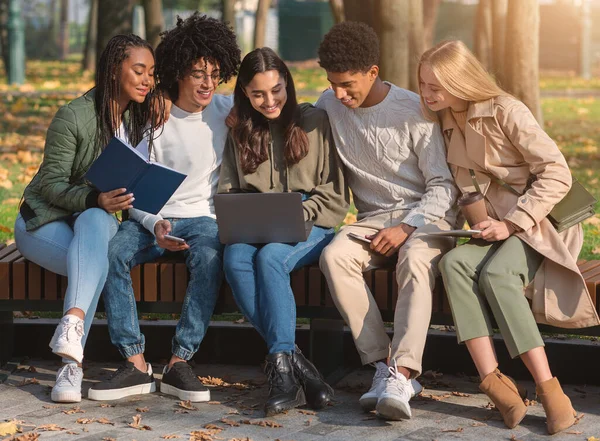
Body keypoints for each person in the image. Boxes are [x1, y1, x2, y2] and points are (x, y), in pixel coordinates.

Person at [418, 40, 600, 435]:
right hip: (497, 228)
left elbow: (557, 173)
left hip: (542, 225)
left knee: (497, 274)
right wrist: (480, 223)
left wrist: (512, 223)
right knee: (454, 262)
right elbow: (467, 189)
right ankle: (496, 385)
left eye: (436, 86)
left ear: (460, 80)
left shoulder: (505, 110)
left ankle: (550, 390)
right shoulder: (446, 120)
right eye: (422, 85)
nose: (427, 94)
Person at [88, 13, 241, 402]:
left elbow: (277, 102)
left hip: (203, 220)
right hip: (149, 220)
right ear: (177, 73)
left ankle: (179, 363)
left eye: (214, 73)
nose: (208, 83)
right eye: (197, 73)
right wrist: (156, 224)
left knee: (210, 259)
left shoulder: (228, 111)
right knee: (111, 253)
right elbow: (130, 190)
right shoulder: (148, 115)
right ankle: (135, 364)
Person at [316, 22, 459, 421]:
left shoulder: (416, 108)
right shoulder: (328, 103)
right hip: (372, 221)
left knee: (414, 261)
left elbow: (443, 185)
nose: (340, 94)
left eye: (348, 85)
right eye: (333, 84)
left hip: (427, 217)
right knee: (334, 257)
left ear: (373, 72)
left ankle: (405, 371)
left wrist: (408, 226)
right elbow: (290, 121)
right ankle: (381, 365)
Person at [13, 34, 161, 403]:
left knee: (96, 225)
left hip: (92, 224)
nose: (148, 80)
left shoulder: (140, 116)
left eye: (152, 73)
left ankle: (70, 348)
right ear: (114, 70)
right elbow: (50, 185)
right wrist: (94, 197)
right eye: (139, 71)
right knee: (94, 260)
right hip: (42, 222)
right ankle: (70, 367)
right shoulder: (73, 116)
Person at [218, 47, 349, 416]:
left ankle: (284, 372)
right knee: (236, 258)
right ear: (245, 91)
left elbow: (337, 196)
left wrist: (296, 212)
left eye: (277, 90)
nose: (269, 100)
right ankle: (297, 369)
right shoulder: (240, 130)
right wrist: (256, 214)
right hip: (256, 219)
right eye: (258, 93)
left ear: (287, 83)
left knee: (272, 258)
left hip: (311, 220)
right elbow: (229, 191)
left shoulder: (314, 121)